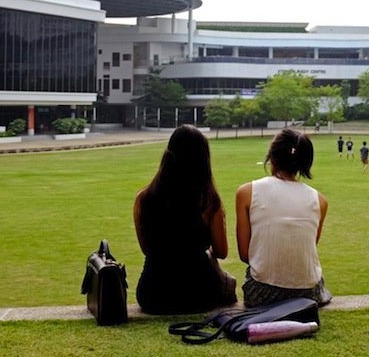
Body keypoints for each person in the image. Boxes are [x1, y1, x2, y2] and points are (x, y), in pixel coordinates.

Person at [133, 124, 237, 314]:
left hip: (152, 295)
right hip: (200, 294)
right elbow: (221, 252)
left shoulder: (144, 199)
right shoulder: (208, 201)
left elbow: (147, 249)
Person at [235, 128, 332, 307]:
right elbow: (304, 249)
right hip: (308, 294)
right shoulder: (319, 200)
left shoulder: (247, 192)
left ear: (272, 158)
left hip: (261, 293)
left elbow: (245, 254)